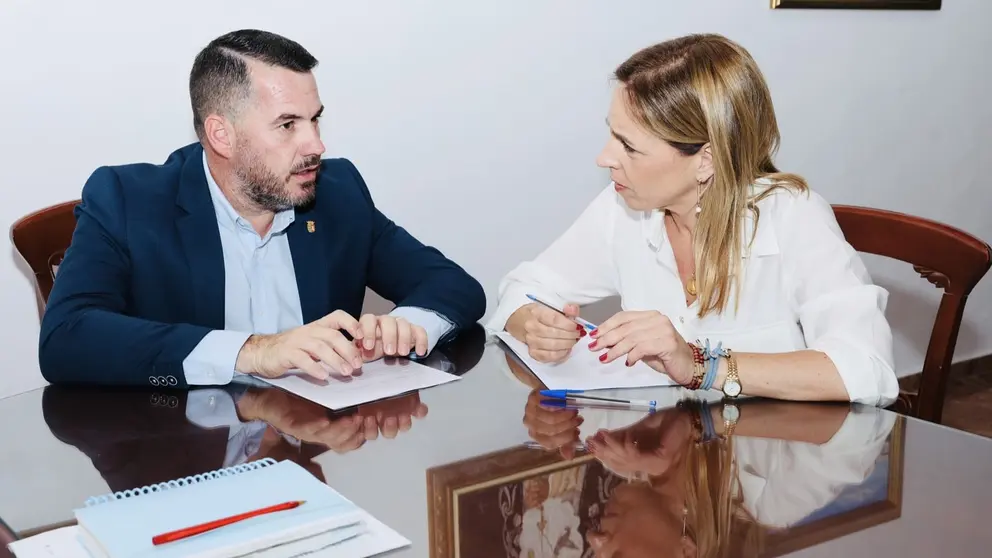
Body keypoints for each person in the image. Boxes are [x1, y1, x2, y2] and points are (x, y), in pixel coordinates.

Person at [40, 29, 486, 388]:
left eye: (315, 119)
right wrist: (255, 351)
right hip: (187, 462)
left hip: (319, 452)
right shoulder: (126, 200)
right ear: (221, 135)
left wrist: (406, 325)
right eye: (288, 125)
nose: (316, 145)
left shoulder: (336, 191)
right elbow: (65, 340)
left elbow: (455, 286)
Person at [486, 33, 899, 406]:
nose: (604, 158)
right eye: (612, 134)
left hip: (773, 470)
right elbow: (525, 288)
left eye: (629, 146)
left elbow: (866, 368)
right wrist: (537, 326)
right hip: (667, 463)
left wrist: (704, 366)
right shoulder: (623, 210)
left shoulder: (792, 216)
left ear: (706, 159)